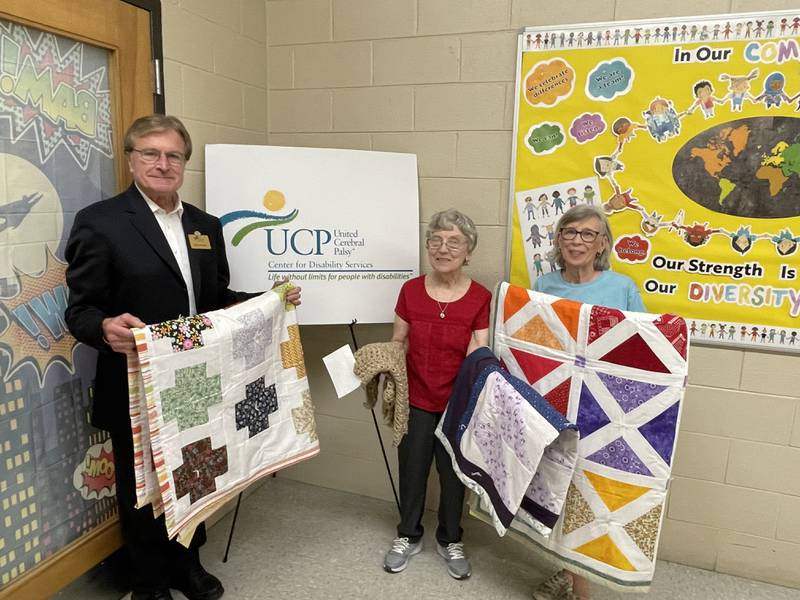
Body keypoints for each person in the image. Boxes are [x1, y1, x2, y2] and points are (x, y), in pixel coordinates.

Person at [64, 114, 300, 600]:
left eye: (173, 155)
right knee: (143, 487)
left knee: (197, 471)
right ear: (131, 160)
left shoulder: (205, 226)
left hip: (197, 379)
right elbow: (80, 309)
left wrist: (267, 300)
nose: (162, 164)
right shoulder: (102, 221)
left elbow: (214, 299)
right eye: (150, 153)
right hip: (136, 379)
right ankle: (150, 582)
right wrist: (103, 328)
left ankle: (187, 565)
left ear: (184, 163)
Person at [531, 204, 643, 600]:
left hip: (605, 407)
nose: (577, 240)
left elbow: (642, 349)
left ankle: (581, 589)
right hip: (558, 403)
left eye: (587, 234)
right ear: (559, 241)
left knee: (590, 493)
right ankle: (567, 573)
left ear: (601, 245)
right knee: (560, 487)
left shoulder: (622, 287)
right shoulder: (543, 286)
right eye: (569, 232)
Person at [382, 209, 491, 581]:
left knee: (452, 476)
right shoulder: (410, 290)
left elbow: (479, 355)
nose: (443, 248)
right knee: (411, 471)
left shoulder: (480, 297)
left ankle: (450, 539)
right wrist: (379, 364)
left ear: (468, 249)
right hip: (414, 398)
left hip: (457, 404)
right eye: (436, 240)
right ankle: (408, 535)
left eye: (454, 241)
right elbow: (399, 342)